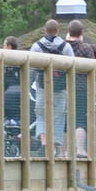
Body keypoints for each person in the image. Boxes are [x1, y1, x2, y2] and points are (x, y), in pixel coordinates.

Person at [28, 19, 74, 155]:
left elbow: (31, 68)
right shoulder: (65, 47)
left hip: (42, 86)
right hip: (60, 87)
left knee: (41, 114)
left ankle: (44, 143)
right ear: (58, 31)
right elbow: (72, 67)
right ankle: (53, 146)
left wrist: (27, 84)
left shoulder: (37, 46)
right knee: (58, 116)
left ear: (45, 30)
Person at [65, 20, 96, 157]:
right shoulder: (86, 48)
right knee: (80, 119)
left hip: (64, 87)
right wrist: (94, 89)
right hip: (82, 88)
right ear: (82, 33)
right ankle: (79, 149)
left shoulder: (64, 47)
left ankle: (66, 150)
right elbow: (92, 71)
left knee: (66, 119)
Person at [0, 36, 24, 156]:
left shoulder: (5, 61)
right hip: (18, 99)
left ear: (9, 46)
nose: (2, 47)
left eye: (4, 45)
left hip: (8, 97)